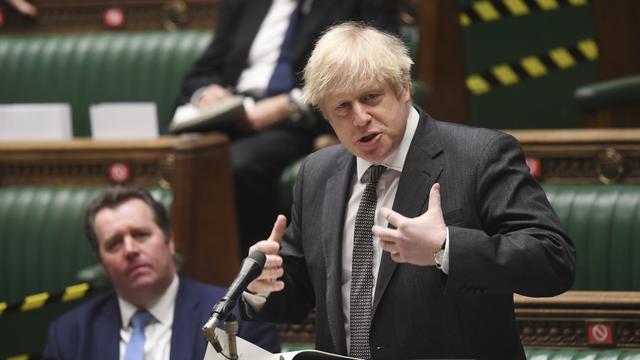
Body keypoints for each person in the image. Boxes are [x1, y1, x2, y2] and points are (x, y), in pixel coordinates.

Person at [242, 22, 577, 360]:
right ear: (326, 116)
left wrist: (446, 247)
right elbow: (298, 297)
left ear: (404, 88)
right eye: (342, 107)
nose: (360, 118)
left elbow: (553, 260)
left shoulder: (479, 155)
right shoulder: (317, 173)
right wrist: (262, 284)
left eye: (371, 97)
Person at [174, 0, 399, 257]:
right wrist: (205, 94)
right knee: (182, 154)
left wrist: (289, 104)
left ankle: (253, 271)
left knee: (237, 165)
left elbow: (377, 67)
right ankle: (195, 277)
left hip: (298, 121)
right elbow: (201, 72)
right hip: (230, 114)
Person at [43, 186, 280, 359]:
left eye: (140, 235)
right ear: (101, 261)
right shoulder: (70, 335)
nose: (130, 250)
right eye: (114, 243)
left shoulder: (235, 319)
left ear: (170, 242)